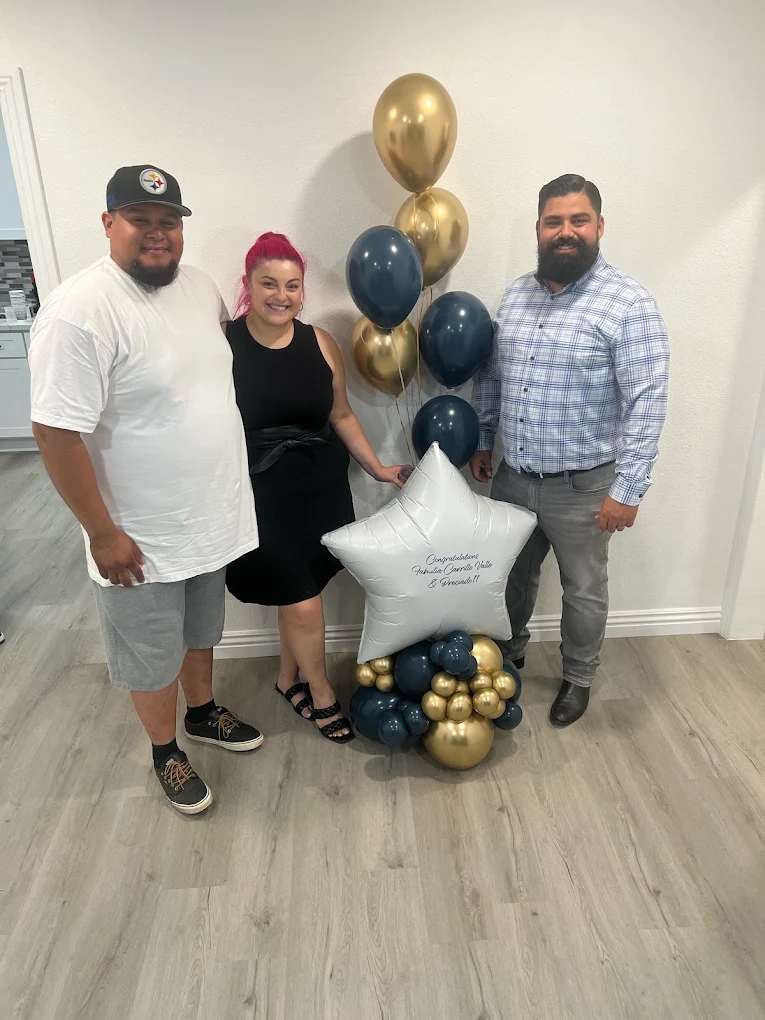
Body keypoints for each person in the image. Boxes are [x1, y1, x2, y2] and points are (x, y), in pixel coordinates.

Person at [28, 165, 262, 814]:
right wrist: (102, 532)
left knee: (198, 631)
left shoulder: (199, 288)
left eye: (168, 222)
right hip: (137, 534)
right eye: (140, 220)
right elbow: (54, 434)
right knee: (148, 655)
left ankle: (202, 712)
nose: (156, 235)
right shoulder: (79, 313)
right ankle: (166, 751)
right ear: (108, 224)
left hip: (207, 516)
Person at [471, 174, 669, 727]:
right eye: (554, 221)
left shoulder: (628, 305)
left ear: (599, 227)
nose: (566, 232)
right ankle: (508, 660)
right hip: (513, 476)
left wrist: (627, 491)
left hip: (585, 487)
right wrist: (485, 438)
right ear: (538, 228)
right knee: (510, 576)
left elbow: (647, 403)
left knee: (583, 590)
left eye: (578, 221)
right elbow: (493, 375)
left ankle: (578, 678)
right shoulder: (514, 295)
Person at [225, 232, 411, 742]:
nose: (280, 295)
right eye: (268, 283)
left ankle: (289, 679)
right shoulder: (223, 343)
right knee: (301, 598)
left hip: (320, 487)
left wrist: (376, 468)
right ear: (248, 285)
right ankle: (323, 691)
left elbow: (342, 414)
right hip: (261, 493)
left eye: (291, 285)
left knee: (300, 591)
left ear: (302, 290)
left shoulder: (321, 342)